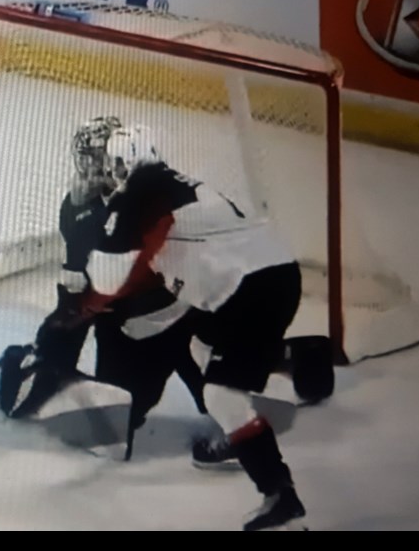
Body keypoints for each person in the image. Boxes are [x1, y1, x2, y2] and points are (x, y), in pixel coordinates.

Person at [60, 118, 313, 531]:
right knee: (202, 348)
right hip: (256, 282)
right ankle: (296, 363)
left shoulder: (137, 196)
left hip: (250, 290)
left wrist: (85, 306)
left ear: (123, 162)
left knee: (221, 395)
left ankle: (281, 502)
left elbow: (110, 280)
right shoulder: (164, 183)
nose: (99, 171)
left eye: (105, 162)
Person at [0, 116, 210, 461]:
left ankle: (253, 376)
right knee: (110, 391)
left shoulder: (146, 201)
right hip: (118, 309)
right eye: (87, 159)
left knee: (158, 379)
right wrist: (52, 354)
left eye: (99, 159)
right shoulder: (77, 206)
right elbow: (79, 282)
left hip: (163, 308)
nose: (91, 169)